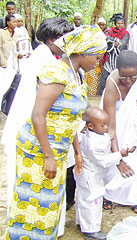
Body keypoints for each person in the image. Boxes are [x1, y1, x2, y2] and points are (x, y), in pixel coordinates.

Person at [5, 25, 107, 239]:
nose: (97, 63)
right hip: (37, 152)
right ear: (84, 52)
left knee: (50, 207)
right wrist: (48, 157)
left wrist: (77, 152)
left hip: (57, 152)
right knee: (31, 209)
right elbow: (38, 115)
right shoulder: (56, 71)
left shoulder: (76, 76)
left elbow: (72, 119)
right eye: (96, 58)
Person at [1, 17, 74, 238]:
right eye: (66, 38)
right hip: (30, 132)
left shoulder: (46, 55)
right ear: (53, 39)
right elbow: (38, 110)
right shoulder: (46, 62)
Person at [101, 50, 137, 214]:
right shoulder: (112, 85)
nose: (128, 81)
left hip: (136, 117)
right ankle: (109, 194)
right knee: (111, 148)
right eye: (124, 76)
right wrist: (117, 160)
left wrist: (136, 140)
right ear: (117, 71)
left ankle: (132, 197)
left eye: (132, 77)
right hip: (114, 118)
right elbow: (110, 128)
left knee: (135, 154)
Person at [74, 106, 131, 240]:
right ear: (91, 126)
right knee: (93, 202)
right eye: (103, 125)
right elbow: (103, 161)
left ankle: (81, 222)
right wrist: (119, 154)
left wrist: (107, 137)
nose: (106, 128)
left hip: (87, 175)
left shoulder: (92, 134)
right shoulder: (92, 143)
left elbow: (102, 139)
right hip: (91, 177)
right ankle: (91, 230)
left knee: (83, 200)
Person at [98, 13, 129, 95]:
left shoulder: (126, 33)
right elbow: (105, 39)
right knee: (104, 78)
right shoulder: (109, 31)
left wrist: (116, 42)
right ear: (115, 23)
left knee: (119, 79)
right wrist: (114, 42)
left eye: (122, 23)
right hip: (109, 60)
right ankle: (101, 95)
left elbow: (123, 44)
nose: (120, 25)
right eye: (118, 23)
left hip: (119, 61)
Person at [84, 17, 107, 96]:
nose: (101, 27)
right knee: (92, 79)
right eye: (100, 25)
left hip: (104, 62)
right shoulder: (92, 35)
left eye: (103, 25)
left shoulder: (107, 35)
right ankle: (91, 96)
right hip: (93, 60)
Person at [0, 14, 20, 100]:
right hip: (3, 63)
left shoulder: (16, 35)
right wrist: (3, 62)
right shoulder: (2, 33)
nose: (16, 24)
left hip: (13, 65)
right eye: (14, 22)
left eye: (16, 22)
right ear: (8, 23)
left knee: (7, 87)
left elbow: (17, 49)